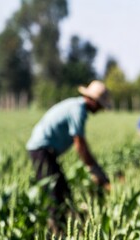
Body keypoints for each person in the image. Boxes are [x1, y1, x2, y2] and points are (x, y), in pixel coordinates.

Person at [26, 80, 111, 229]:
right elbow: (80, 144)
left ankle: (68, 228)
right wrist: (94, 169)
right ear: (93, 101)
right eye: (100, 105)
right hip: (41, 150)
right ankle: (55, 232)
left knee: (64, 193)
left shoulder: (77, 106)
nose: (100, 110)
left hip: (46, 151)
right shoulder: (78, 110)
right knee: (54, 195)